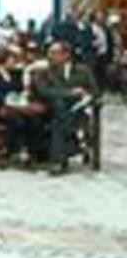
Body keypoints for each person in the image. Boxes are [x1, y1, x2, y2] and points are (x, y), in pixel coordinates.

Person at [33, 41, 97, 175]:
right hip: (51, 110)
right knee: (59, 111)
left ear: (66, 54)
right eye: (50, 53)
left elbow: (95, 91)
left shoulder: (82, 70)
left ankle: (58, 161)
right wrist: (70, 93)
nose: (50, 56)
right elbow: (44, 91)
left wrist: (84, 94)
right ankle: (70, 149)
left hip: (78, 110)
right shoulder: (45, 70)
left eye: (54, 53)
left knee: (59, 123)